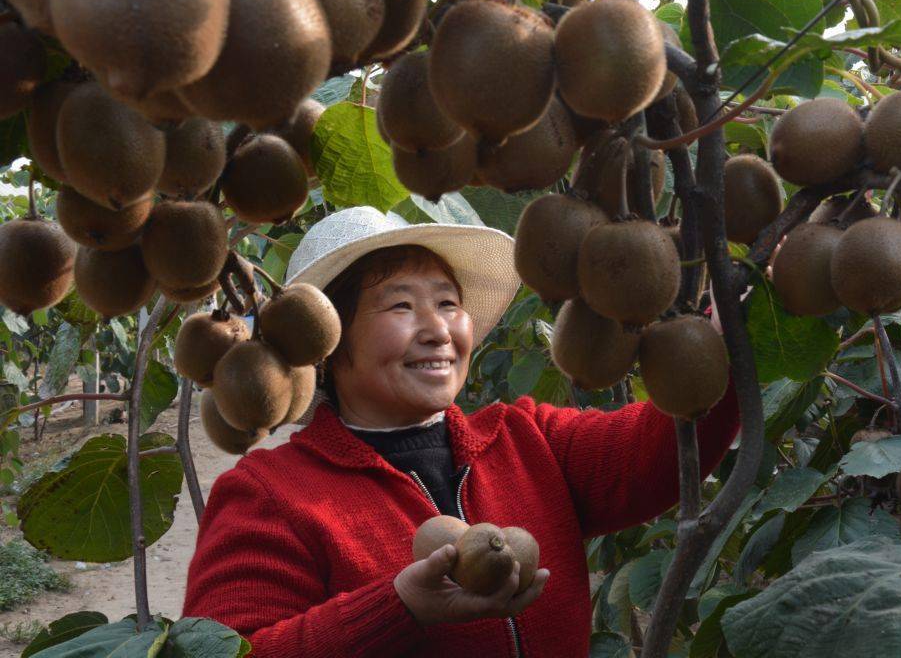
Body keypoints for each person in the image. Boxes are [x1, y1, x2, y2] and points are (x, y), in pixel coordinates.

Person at [182, 205, 741, 657]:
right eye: (399, 305)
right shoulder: (270, 495)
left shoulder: (526, 438)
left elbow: (661, 451)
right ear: (323, 343)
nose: (438, 329)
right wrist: (398, 608)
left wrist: (729, 328)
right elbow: (230, 650)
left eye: (449, 302)